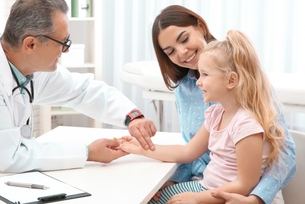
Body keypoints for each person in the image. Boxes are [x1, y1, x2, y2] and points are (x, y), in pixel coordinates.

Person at [0, 0, 156, 196]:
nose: (65, 51)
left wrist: (132, 116)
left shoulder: (29, 68)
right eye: (64, 43)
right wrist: (87, 152)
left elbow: (82, 90)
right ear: (30, 44)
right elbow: (11, 155)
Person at [148, 5, 296, 204]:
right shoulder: (189, 92)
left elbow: (284, 154)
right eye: (170, 51)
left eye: (184, 39)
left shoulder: (248, 100)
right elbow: (191, 151)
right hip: (205, 184)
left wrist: (257, 198)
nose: (182, 52)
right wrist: (174, 180)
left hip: (246, 194)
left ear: (200, 26)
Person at [119, 30, 286, 203]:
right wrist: (141, 148)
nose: (198, 81)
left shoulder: (246, 125)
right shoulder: (215, 114)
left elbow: (245, 184)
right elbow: (187, 152)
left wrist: (198, 199)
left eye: (205, 75)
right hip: (205, 187)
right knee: (147, 198)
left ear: (231, 80)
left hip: (227, 196)